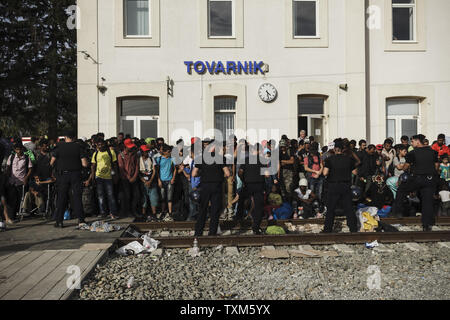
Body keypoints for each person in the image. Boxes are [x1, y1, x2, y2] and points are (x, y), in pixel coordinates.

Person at [394, 134, 440, 231]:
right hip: (430, 179)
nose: (411, 143)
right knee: (427, 202)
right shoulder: (433, 152)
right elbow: (436, 166)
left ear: (418, 141)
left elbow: (406, 167)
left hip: (418, 178)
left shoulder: (412, 153)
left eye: (413, 141)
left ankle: (397, 212)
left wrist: (402, 167)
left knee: (401, 189)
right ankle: (426, 225)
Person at [50, 132, 89, 228]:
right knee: (77, 197)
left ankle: (59, 221)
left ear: (65, 137)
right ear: (74, 138)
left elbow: (51, 162)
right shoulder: (79, 147)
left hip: (63, 175)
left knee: (61, 198)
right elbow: (85, 164)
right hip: (76, 174)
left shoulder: (59, 147)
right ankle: (81, 220)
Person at [192, 142, 230, 237]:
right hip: (216, 186)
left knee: (202, 209)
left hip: (204, 186)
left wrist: (203, 174)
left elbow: (193, 174)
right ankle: (212, 232)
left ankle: (198, 232)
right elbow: (227, 173)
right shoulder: (220, 158)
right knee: (215, 210)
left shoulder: (200, 158)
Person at [322, 141, 358, 233]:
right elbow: (355, 172)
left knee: (331, 209)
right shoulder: (349, 159)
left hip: (333, 185)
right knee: (349, 208)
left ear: (334, 149)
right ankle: (353, 229)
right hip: (345, 185)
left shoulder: (329, 159)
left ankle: (327, 229)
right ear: (342, 150)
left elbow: (325, 173)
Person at [87, 138, 119, 220]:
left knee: (110, 195)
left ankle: (113, 213)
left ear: (105, 144)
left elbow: (115, 165)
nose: (100, 146)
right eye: (98, 145)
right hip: (99, 177)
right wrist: (93, 177)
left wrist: (115, 176)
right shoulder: (96, 153)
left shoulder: (111, 152)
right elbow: (93, 166)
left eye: (102, 144)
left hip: (108, 177)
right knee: (101, 196)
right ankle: (103, 213)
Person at [238, 144, 265, 234]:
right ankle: (256, 227)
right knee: (258, 206)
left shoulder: (246, 159)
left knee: (242, 201)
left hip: (248, 184)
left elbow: (240, 172)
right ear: (258, 151)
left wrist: (244, 180)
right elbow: (268, 174)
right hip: (259, 185)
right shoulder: (262, 160)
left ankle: (239, 220)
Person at [6, 142, 33, 219]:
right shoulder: (11, 157)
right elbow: (8, 167)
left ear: (22, 149)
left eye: (20, 149)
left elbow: (30, 169)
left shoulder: (26, 157)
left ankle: (20, 213)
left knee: (20, 198)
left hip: (21, 181)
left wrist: (26, 178)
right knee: (12, 199)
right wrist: (7, 177)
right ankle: (12, 216)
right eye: (17, 149)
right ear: (14, 150)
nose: (18, 151)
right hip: (12, 181)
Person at [117, 138, 140, 218]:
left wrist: (134, 176)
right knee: (127, 196)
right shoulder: (121, 155)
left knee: (136, 195)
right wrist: (128, 177)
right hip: (124, 179)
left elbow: (137, 166)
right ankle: (127, 211)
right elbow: (121, 168)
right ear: (125, 146)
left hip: (134, 178)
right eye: (129, 146)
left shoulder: (134, 154)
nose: (131, 148)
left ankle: (134, 210)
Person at [155, 144, 176, 221]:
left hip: (169, 180)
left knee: (169, 198)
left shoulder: (172, 159)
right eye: (168, 151)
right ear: (164, 152)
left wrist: (173, 177)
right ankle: (163, 211)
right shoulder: (159, 159)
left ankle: (170, 213)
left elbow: (175, 169)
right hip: (162, 180)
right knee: (163, 197)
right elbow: (156, 170)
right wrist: (158, 179)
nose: (169, 153)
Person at [139, 144, 158, 221]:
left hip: (151, 181)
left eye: (147, 151)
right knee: (144, 199)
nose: (147, 153)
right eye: (145, 151)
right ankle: (143, 214)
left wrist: (150, 181)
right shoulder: (138, 159)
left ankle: (154, 214)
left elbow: (154, 171)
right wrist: (144, 181)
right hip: (142, 181)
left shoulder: (151, 158)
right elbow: (137, 172)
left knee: (153, 198)